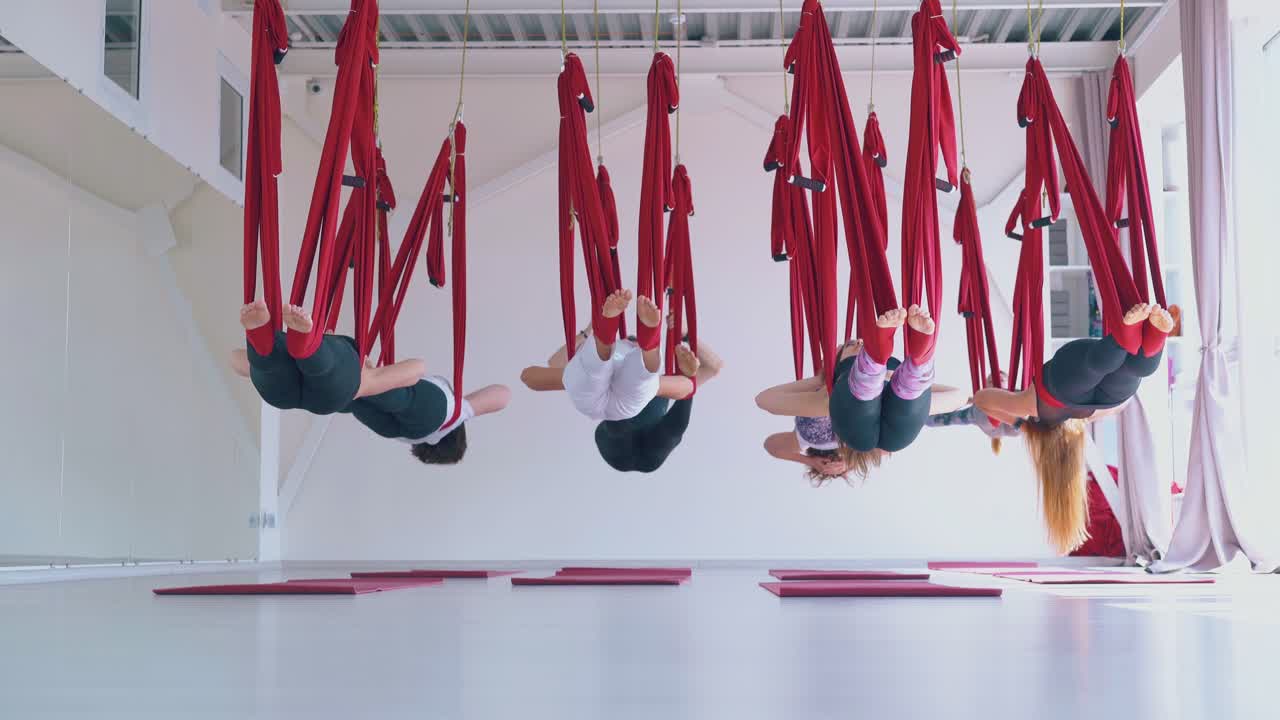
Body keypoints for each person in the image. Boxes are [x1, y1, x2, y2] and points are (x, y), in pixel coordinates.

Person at [969, 303, 1173, 552]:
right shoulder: (1028, 409)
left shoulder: (1085, 418)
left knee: (1130, 369)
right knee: (1092, 365)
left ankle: (1146, 345)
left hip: (1107, 399)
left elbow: (1123, 405)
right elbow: (981, 398)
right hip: (1058, 390)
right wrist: (1018, 421)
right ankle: (1125, 339)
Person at [232, 300, 510, 465]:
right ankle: (273, 351)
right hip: (342, 399)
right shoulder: (405, 433)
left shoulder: (454, 412)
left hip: (431, 411)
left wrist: (468, 408)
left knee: (404, 378)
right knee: (340, 388)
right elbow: (234, 360)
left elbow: (504, 395)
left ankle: (297, 353)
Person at [521, 289, 723, 472]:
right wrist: (685, 335)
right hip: (637, 431)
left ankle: (633, 346)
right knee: (662, 400)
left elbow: (556, 362)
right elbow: (715, 367)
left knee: (590, 377)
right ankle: (647, 350)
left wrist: (592, 329)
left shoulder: (608, 379)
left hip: (613, 423)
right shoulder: (652, 382)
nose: (630, 340)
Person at [756, 305, 961, 482]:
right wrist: (893, 375)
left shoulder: (809, 433)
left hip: (844, 401)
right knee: (899, 424)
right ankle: (917, 366)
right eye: (855, 344)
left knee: (864, 419)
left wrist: (819, 381)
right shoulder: (873, 447)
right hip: (892, 410)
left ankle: (879, 369)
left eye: (850, 345)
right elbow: (958, 395)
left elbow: (764, 406)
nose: (859, 341)